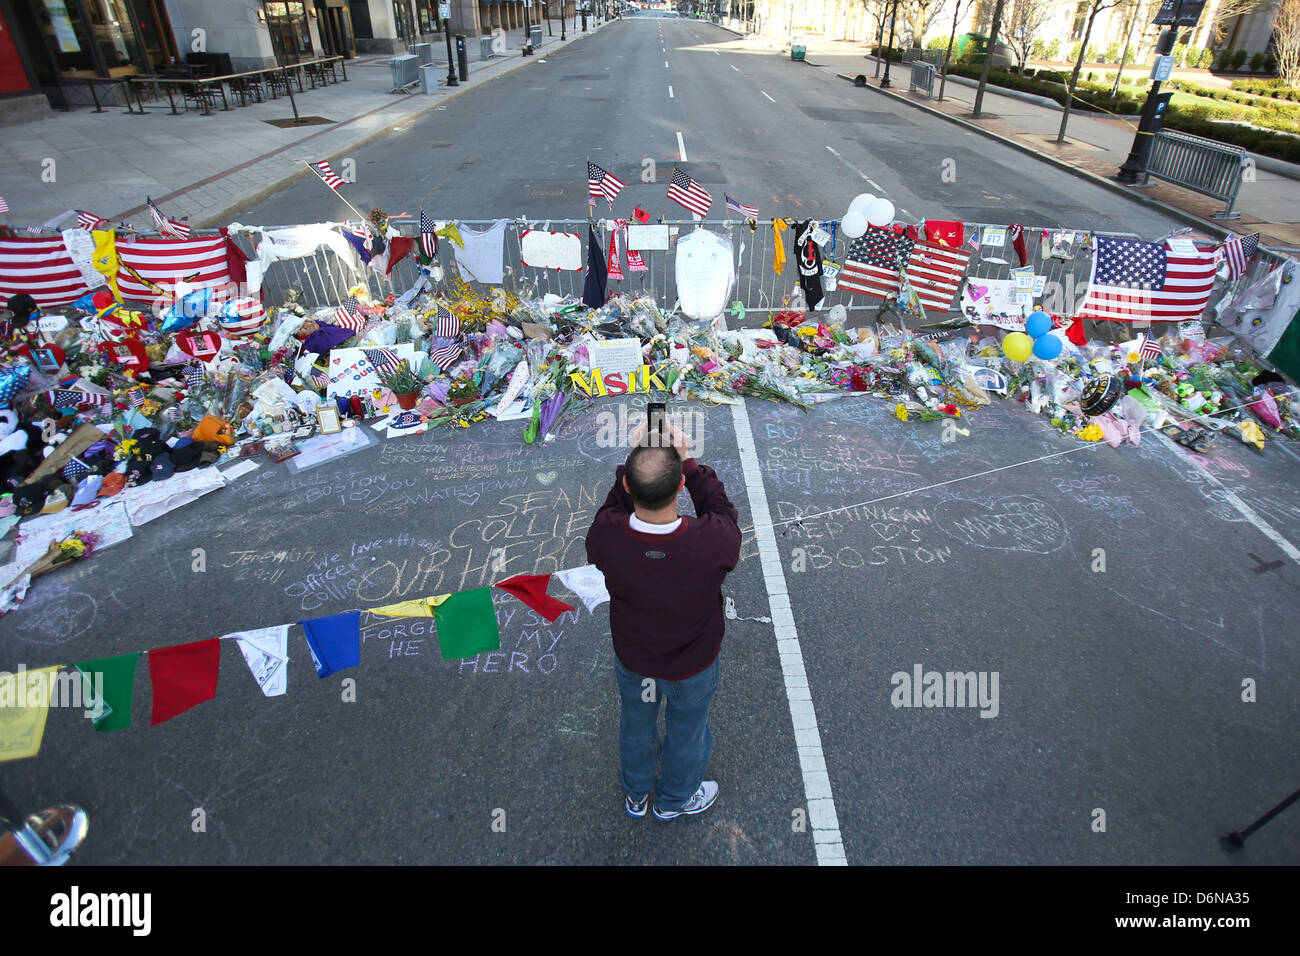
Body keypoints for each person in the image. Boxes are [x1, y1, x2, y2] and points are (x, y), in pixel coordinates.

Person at [585, 417, 741, 821]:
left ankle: (636, 793)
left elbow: (611, 507)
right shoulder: (711, 541)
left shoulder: (605, 537)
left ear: (625, 487)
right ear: (681, 488)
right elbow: (723, 510)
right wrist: (687, 460)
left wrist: (634, 460)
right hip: (693, 663)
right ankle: (675, 799)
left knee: (635, 725)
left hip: (635, 660)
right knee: (688, 733)